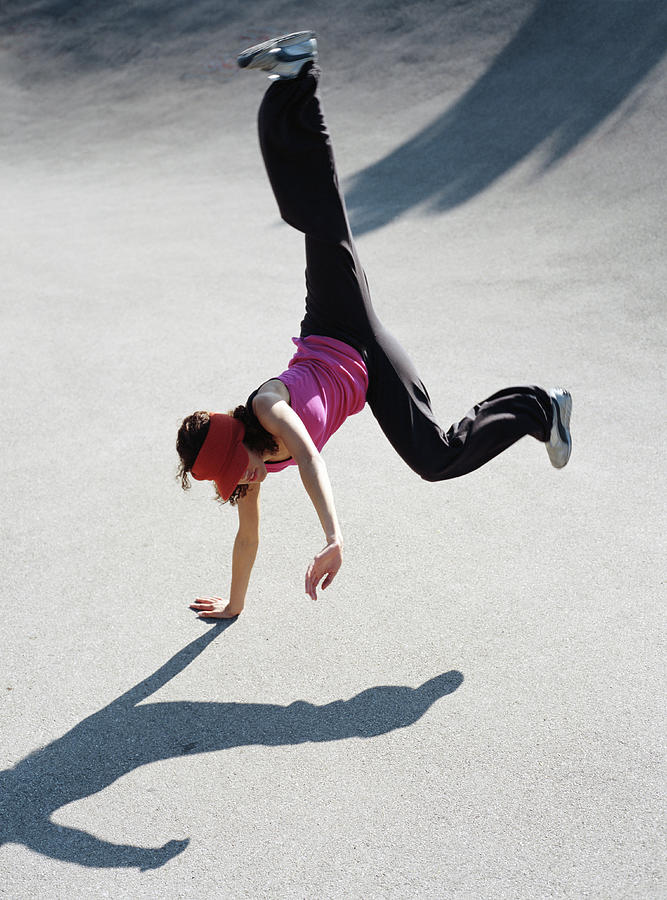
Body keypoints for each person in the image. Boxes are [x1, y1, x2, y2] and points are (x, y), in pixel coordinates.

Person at [176, 32, 572, 619]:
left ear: (241, 439)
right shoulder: (248, 472)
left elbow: (309, 457)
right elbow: (247, 536)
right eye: (238, 480)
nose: (249, 480)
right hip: (372, 370)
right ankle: (543, 408)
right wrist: (235, 604)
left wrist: (333, 536)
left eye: (242, 468)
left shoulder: (267, 407)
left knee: (317, 215)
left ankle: (298, 77)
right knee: (437, 460)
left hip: (337, 318)